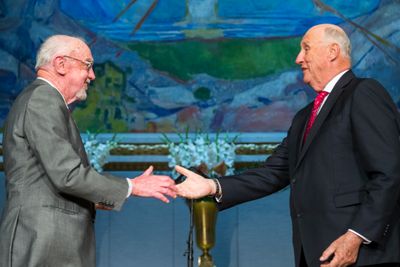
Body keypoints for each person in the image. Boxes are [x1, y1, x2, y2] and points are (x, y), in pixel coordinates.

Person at [175, 24, 400, 267]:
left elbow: (389, 172)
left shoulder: (363, 92)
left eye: (306, 49)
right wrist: (211, 185)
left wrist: (356, 236)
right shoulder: (305, 116)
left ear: (332, 51)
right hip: (316, 254)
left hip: (361, 254)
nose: (298, 58)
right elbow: (272, 173)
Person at [0, 35, 177, 267]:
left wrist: (90, 201)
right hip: (44, 240)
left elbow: (45, 180)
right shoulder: (42, 98)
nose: (92, 75)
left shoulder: (45, 100)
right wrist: (132, 186)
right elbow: (67, 175)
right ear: (61, 64)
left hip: (51, 238)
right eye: (87, 65)